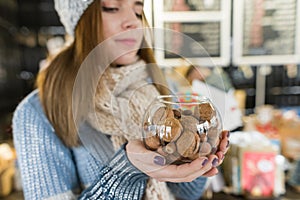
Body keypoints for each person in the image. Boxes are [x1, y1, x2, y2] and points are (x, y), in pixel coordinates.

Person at [12, 0, 230, 199]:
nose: (132, 22)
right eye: (112, 8)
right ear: (80, 22)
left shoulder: (161, 88)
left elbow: (184, 194)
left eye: (137, 10)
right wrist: (126, 169)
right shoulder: (36, 113)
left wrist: (201, 155)